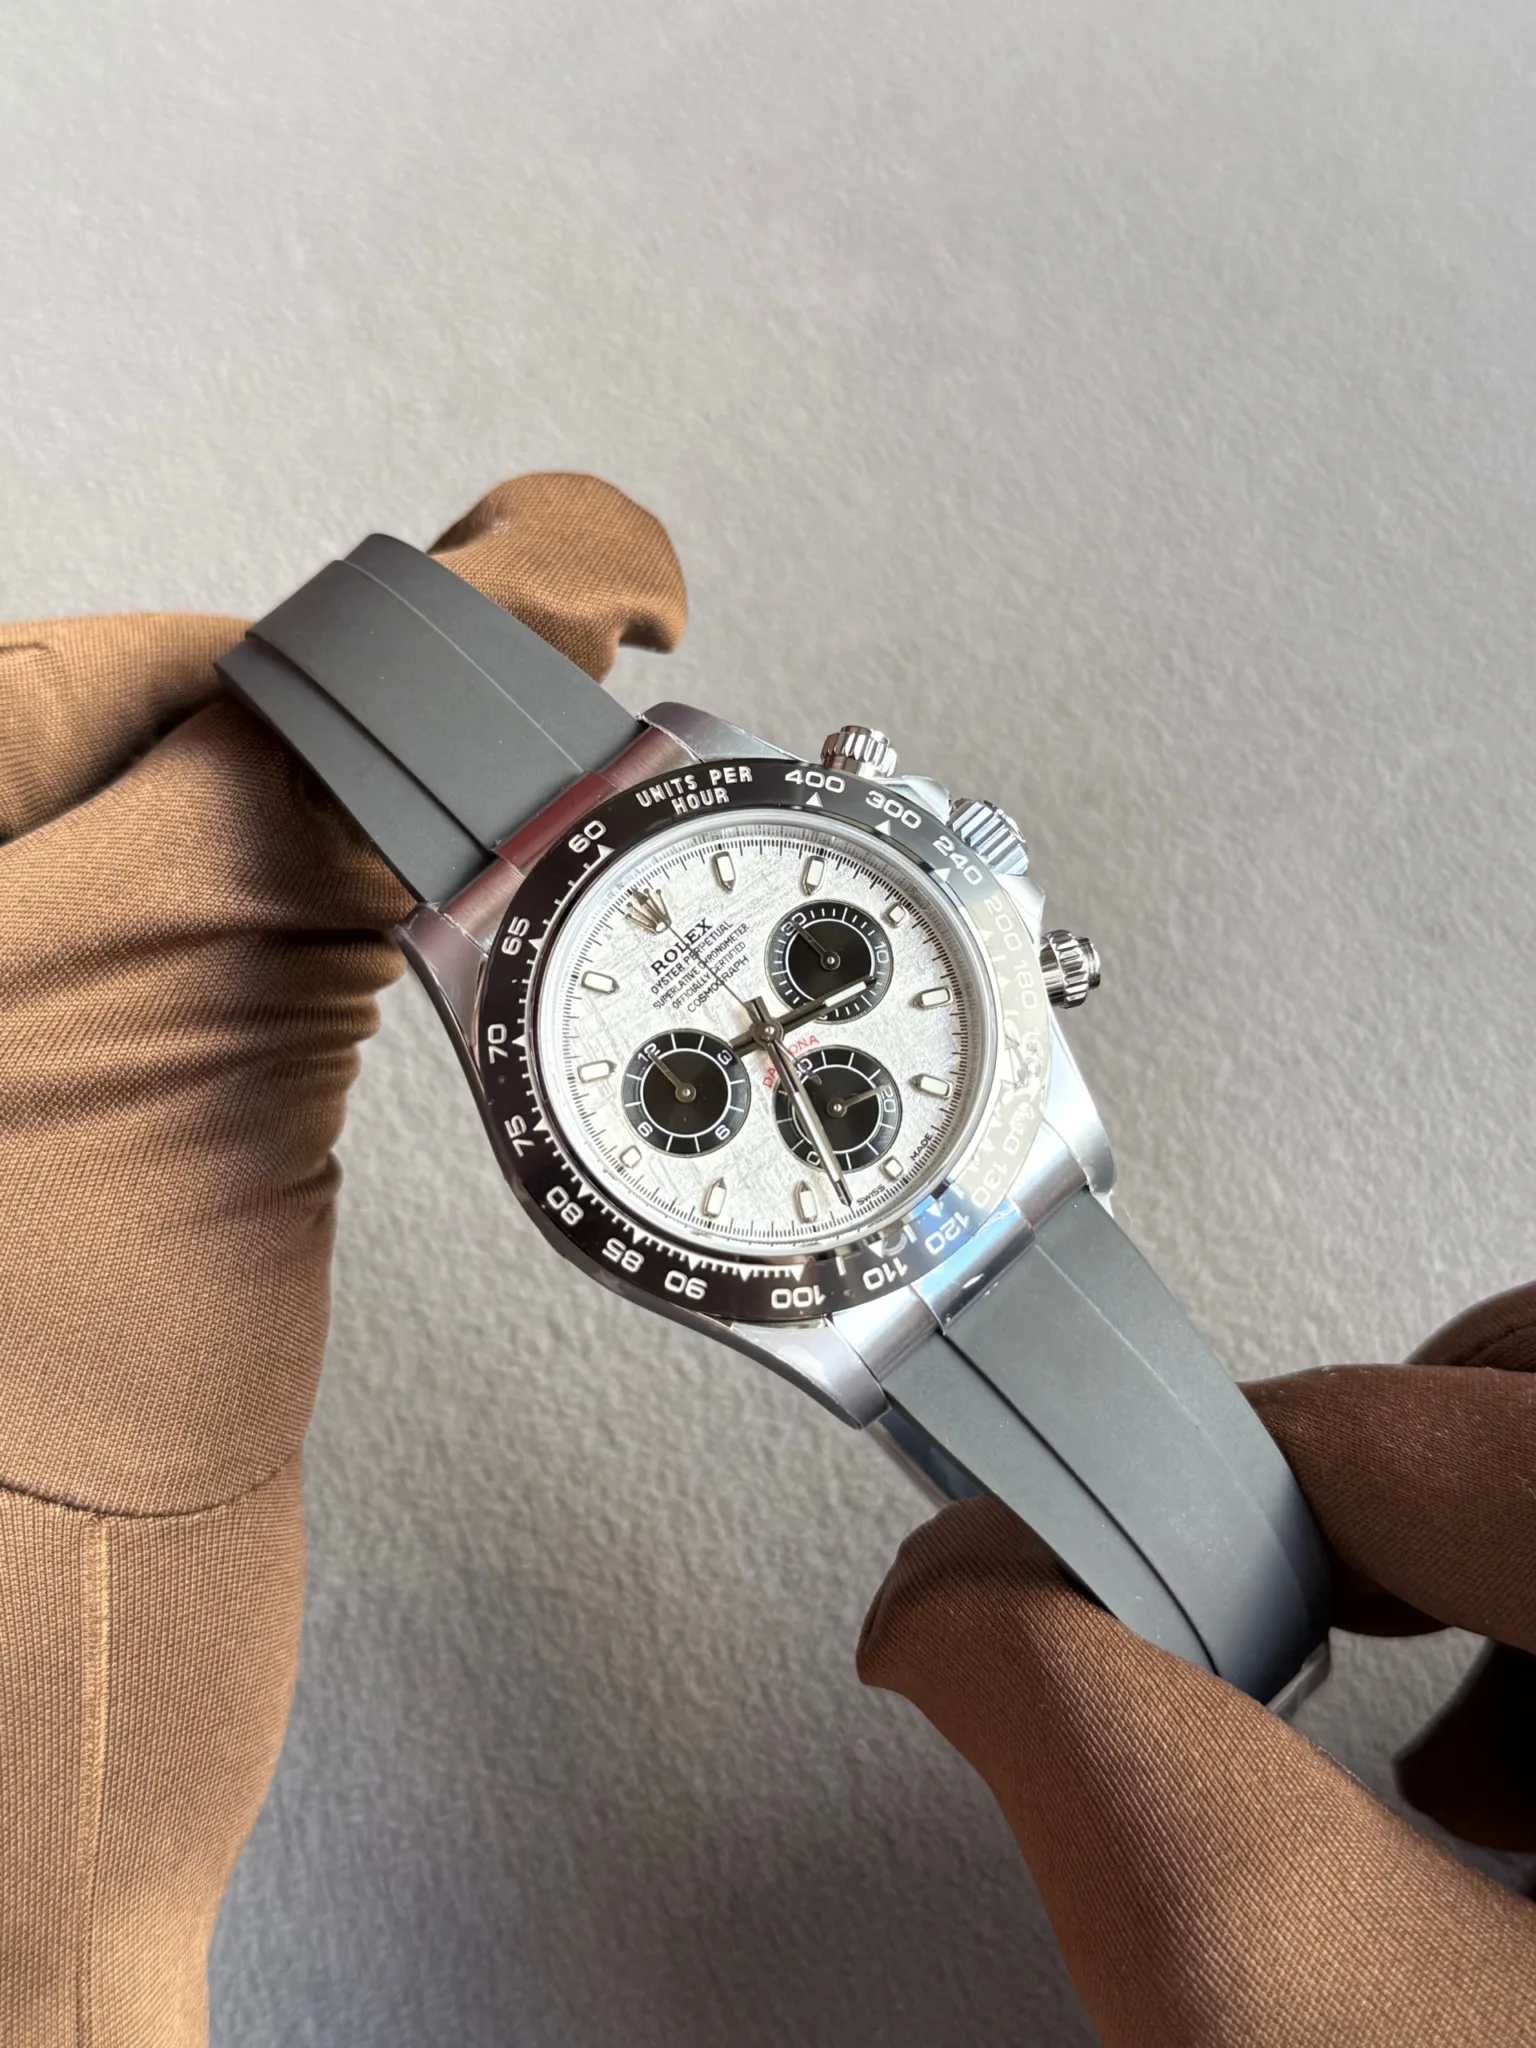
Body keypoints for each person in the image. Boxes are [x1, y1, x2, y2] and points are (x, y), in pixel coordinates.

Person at [2, 473, 1532, 2047]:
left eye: (812, 975)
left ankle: (1230, 1607)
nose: (762, 1032)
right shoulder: (490, 957)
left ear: (965, 890)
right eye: (690, 1088)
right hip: (862, 1254)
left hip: (990, 1166)